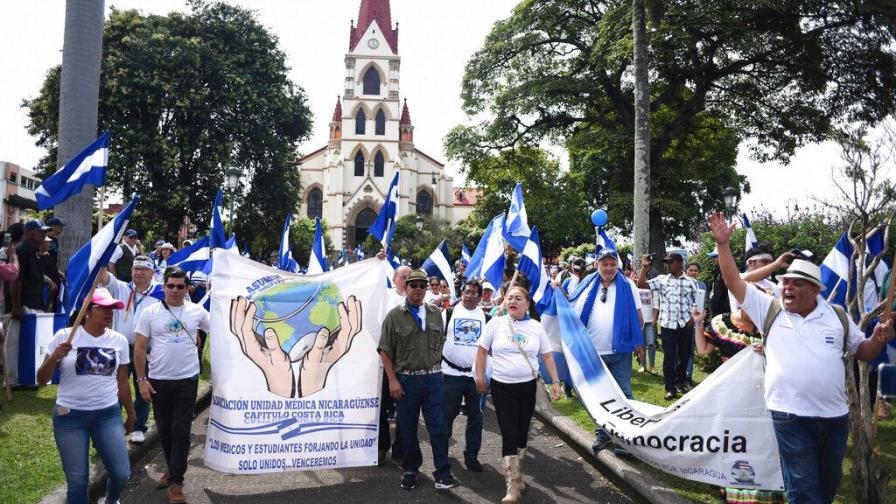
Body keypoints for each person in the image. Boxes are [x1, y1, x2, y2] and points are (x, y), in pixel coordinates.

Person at [709, 211, 895, 503]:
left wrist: (877, 338)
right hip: (789, 416)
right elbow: (734, 281)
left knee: (827, 486)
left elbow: (863, 352)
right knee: (803, 488)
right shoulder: (769, 309)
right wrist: (723, 245)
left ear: (815, 290)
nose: (786, 287)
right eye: (785, 282)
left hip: (835, 419)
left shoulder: (837, 316)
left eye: (796, 283)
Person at [36, 288, 135, 504]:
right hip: (69, 417)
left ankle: (110, 500)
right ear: (87, 311)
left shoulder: (118, 341)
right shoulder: (64, 337)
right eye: (104, 308)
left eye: (112, 308)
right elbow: (41, 379)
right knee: (78, 481)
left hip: (107, 416)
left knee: (121, 472)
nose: (109, 313)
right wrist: (54, 358)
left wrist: (131, 414)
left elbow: (123, 382)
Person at [475, 285, 562, 504]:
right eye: (509, 297)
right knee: (509, 433)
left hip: (527, 387)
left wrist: (556, 382)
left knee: (522, 433)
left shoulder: (536, 326)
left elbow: (547, 356)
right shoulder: (496, 323)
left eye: (518, 298)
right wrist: (479, 377)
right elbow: (482, 351)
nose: (512, 301)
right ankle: (512, 486)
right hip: (502, 387)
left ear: (527, 303)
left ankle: (517, 473)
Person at [134, 267, 210, 504]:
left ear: (187, 288)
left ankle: (176, 481)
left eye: (180, 286)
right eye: (171, 286)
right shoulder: (149, 312)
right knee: (165, 430)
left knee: (180, 430)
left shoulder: (197, 311)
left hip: (187, 380)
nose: (175, 290)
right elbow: (139, 348)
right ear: (164, 287)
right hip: (158, 380)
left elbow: (219, 332)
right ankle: (171, 470)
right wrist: (141, 380)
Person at [378, 269, 456, 491]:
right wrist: (392, 380)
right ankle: (411, 468)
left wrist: (437, 367)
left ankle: (443, 473)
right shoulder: (394, 316)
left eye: (423, 285)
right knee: (408, 428)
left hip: (432, 380)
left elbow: (439, 342)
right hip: (406, 381)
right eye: (414, 285)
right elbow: (385, 350)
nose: (419, 290)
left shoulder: (435, 313)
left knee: (439, 427)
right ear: (406, 288)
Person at [569, 249, 643, 452]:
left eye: (612, 264)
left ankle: (625, 440)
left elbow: (639, 317)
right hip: (593, 353)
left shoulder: (629, 285)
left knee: (624, 395)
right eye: (605, 264)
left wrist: (637, 342)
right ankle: (603, 435)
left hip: (620, 352)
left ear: (617, 265)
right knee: (601, 398)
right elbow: (571, 311)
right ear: (597, 265)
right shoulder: (585, 285)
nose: (609, 268)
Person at [97, 255, 163, 444]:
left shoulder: (160, 292)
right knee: (115, 387)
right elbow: (103, 277)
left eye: (144, 269)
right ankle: (113, 427)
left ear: (152, 273)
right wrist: (104, 253)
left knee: (143, 388)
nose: (139, 272)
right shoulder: (121, 288)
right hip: (119, 348)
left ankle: (138, 426)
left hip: (147, 350)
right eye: (136, 268)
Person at [442, 279, 490, 472]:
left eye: (474, 293)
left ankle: (471, 456)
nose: (469, 295)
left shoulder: (487, 318)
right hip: (450, 374)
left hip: (476, 377)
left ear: (480, 297)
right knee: (447, 416)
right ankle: (442, 453)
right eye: (467, 292)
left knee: (476, 418)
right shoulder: (448, 313)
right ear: (462, 293)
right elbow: (437, 340)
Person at [637, 252, 698, 400]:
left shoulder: (691, 282)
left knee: (684, 356)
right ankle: (670, 388)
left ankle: (680, 382)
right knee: (669, 358)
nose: (668, 265)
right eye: (667, 262)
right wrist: (644, 268)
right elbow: (641, 284)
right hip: (667, 325)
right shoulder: (661, 280)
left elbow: (698, 302)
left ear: (680, 263)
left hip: (685, 325)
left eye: (671, 262)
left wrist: (692, 319)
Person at [378, 264, 411, 465]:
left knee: (405, 412)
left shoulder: (417, 302)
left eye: (410, 277)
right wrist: (377, 260)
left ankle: (399, 451)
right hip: (383, 363)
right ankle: (382, 446)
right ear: (395, 278)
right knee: (381, 409)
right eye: (403, 276)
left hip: (406, 365)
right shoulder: (384, 295)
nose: (406, 281)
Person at [9, 219, 51, 318]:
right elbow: (16, 280)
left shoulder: (34, 251)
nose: (44, 234)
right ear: (29, 233)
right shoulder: (22, 250)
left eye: (45, 231)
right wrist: (17, 307)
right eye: (40, 231)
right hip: (25, 307)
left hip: (35, 305)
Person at [684, 262, 707, 387]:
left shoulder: (702, 285)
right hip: (681, 321)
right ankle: (678, 375)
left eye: (696, 270)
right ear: (686, 271)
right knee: (679, 349)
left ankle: (688, 376)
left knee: (690, 350)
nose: (693, 272)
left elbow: (702, 304)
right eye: (691, 270)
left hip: (695, 322)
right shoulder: (681, 283)